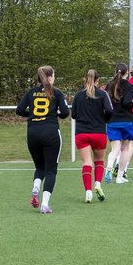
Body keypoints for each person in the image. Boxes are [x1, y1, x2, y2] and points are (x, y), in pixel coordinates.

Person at [16, 65, 70, 213]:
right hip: (50, 132)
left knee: (40, 167)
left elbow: (19, 110)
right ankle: (45, 204)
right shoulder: (56, 93)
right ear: (50, 77)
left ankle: (36, 187)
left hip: (33, 132)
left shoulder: (31, 92)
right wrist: (54, 115)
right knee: (51, 171)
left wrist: (33, 115)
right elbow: (65, 112)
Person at [71, 69, 113, 203]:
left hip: (82, 133)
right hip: (99, 132)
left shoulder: (78, 95)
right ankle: (98, 185)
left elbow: (73, 115)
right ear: (97, 81)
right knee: (99, 161)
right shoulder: (102, 94)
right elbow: (110, 110)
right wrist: (104, 119)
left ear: (85, 80)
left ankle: (88, 191)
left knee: (86, 162)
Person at [103, 63, 133, 184]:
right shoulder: (129, 86)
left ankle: (109, 168)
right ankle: (120, 176)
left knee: (114, 149)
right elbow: (127, 102)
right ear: (126, 73)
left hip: (112, 120)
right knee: (125, 149)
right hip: (126, 120)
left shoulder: (109, 86)